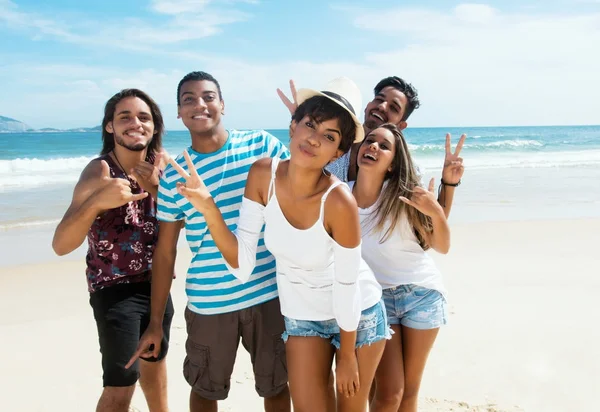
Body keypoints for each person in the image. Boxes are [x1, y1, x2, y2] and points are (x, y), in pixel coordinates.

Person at [170, 77, 390, 412]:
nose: (314, 140)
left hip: (356, 315)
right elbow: (242, 266)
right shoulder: (262, 174)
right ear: (293, 126)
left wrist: (347, 356)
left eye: (329, 137)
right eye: (310, 125)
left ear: (339, 152)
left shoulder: (339, 202)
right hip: (302, 314)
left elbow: (347, 286)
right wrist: (208, 209)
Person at [129, 71, 292, 412]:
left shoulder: (261, 145)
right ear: (178, 112)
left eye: (207, 97)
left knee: (276, 386)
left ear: (222, 105)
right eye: (188, 99)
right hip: (210, 301)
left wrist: (303, 120)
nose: (199, 105)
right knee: (205, 391)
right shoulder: (174, 175)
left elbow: (307, 184)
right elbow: (165, 252)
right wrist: (156, 322)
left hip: (268, 291)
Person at [51, 88, 173, 412]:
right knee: (121, 386)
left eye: (144, 117)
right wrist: (97, 202)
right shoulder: (99, 171)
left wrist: (159, 191)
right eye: (125, 117)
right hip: (114, 290)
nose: (136, 123)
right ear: (110, 127)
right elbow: (61, 244)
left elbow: (193, 224)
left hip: (159, 286)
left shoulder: (165, 167)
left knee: (156, 369)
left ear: (155, 126)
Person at [348, 123, 456, 412]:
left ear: (394, 163)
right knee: (389, 394)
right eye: (370, 141)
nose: (373, 147)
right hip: (376, 301)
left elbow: (442, 246)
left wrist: (435, 209)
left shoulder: (405, 197)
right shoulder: (339, 196)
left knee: (409, 392)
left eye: (384, 146)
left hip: (422, 294)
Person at [277, 76, 465, 218]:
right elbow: (296, 172)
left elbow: (430, 223)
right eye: (379, 99)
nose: (382, 107)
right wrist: (301, 123)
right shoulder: (332, 145)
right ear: (367, 107)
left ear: (401, 125)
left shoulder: (403, 170)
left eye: (393, 108)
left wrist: (448, 183)